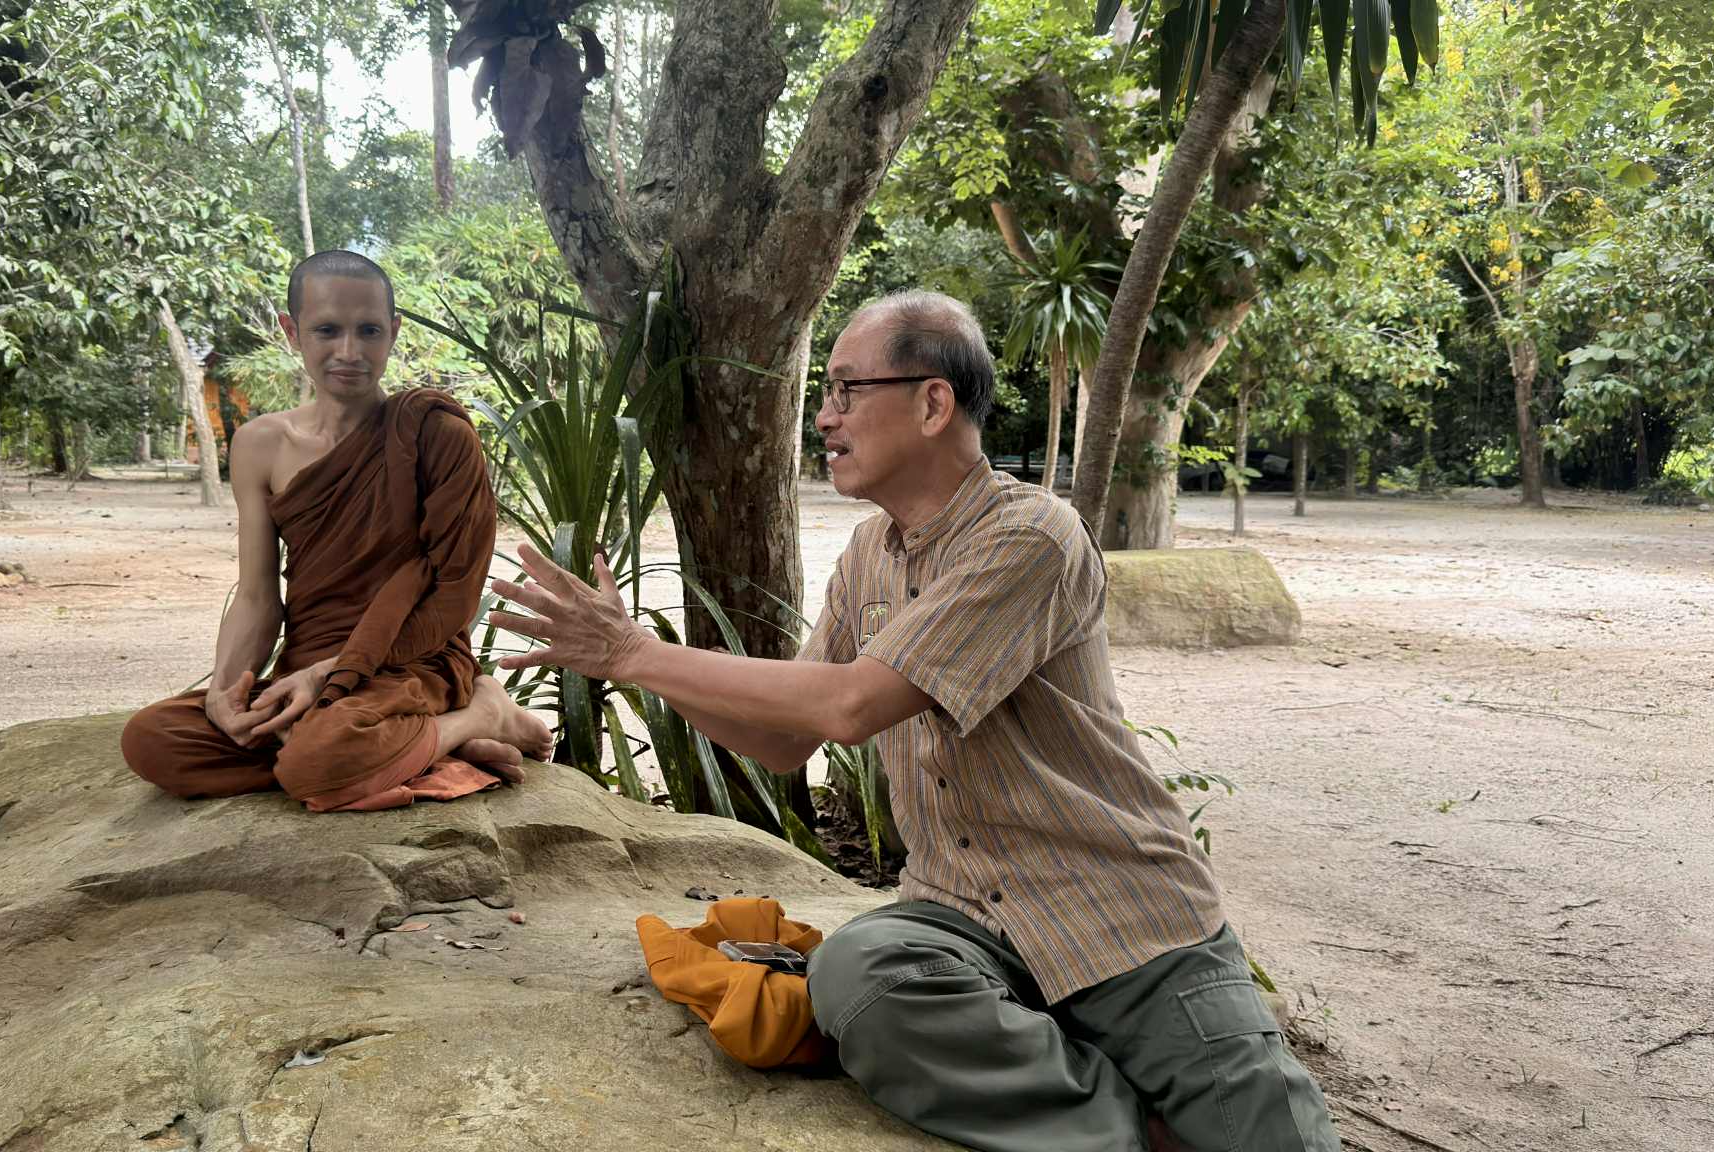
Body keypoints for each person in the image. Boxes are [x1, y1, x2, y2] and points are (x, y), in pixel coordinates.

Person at [485, 291, 1339, 1151]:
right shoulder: (868, 556)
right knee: (859, 979)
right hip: (960, 917)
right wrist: (629, 662)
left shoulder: (1030, 535)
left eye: (846, 389)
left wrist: (633, 652)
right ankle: (1134, 1135)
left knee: (1277, 1141)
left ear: (933, 403)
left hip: (1119, 918)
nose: (825, 417)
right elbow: (785, 741)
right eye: (826, 394)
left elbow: (853, 704)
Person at [122, 250, 552, 812]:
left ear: (393, 332)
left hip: (412, 661)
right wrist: (225, 695)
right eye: (327, 330)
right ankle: (412, 746)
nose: (349, 352)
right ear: (292, 331)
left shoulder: (435, 434)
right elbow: (256, 597)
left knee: (316, 762)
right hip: (308, 665)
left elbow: (454, 600)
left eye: (368, 331)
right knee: (154, 739)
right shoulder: (259, 445)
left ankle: (479, 715)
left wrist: (331, 676)